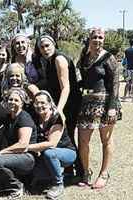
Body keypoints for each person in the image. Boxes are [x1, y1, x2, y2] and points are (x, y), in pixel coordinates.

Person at [76, 28, 121, 189]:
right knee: (83, 141)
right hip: (87, 104)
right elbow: (80, 77)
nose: (97, 40)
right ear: (89, 38)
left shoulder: (109, 58)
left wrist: (112, 107)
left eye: (100, 37)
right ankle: (86, 172)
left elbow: (115, 83)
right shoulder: (85, 57)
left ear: (104, 39)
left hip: (106, 104)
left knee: (106, 140)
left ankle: (104, 174)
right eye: (94, 37)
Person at [32, 34, 83, 176]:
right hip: (60, 103)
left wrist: (59, 110)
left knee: (69, 137)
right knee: (63, 138)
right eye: (41, 47)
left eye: (47, 45)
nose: (45, 49)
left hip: (69, 103)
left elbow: (66, 87)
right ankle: (68, 170)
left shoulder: (59, 59)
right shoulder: (47, 61)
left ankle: (80, 171)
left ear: (54, 45)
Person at [27, 90, 76, 199]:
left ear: (50, 104)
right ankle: (56, 176)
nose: (39, 105)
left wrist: (27, 147)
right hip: (45, 154)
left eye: (43, 103)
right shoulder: (35, 119)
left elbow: (52, 144)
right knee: (37, 175)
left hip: (66, 152)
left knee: (50, 153)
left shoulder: (56, 118)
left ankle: (58, 184)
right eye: (37, 103)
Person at [0, 88, 37, 199]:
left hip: (27, 156)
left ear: (22, 103)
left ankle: (17, 186)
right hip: (15, 155)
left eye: (16, 100)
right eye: (10, 99)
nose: (12, 102)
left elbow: (23, 144)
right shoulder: (9, 117)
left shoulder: (24, 118)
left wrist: (2, 152)